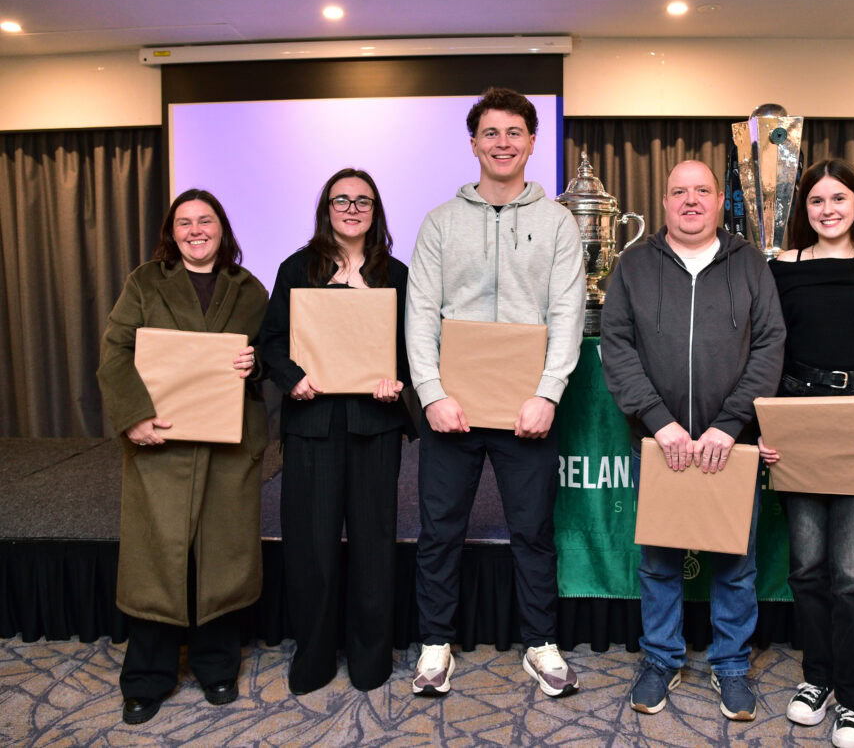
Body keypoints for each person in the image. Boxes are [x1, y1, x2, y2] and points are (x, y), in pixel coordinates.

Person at [406, 87, 586, 697]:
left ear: (533, 142)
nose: (502, 143)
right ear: (474, 143)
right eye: (491, 133)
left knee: (533, 530)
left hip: (526, 409)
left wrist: (548, 394)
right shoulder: (440, 222)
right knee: (439, 530)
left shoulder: (558, 222)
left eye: (514, 132)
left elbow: (567, 314)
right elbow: (420, 313)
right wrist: (431, 393)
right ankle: (435, 644)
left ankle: (541, 643)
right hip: (450, 407)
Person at [600, 159, 786, 719]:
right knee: (659, 560)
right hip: (661, 445)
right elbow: (618, 346)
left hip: (729, 445)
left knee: (735, 563)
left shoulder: (751, 264)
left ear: (717, 200)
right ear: (663, 202)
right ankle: (660, 658)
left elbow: (769, 347)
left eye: (701, 190)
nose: (690, 201)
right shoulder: (632, 265)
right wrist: (659, 422)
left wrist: (729, 426)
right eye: (678, 191)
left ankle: (731, 666)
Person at [96, 189, 268, 725]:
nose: (196, 230)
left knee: (221, 558)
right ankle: (147, 678)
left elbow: (274, 356)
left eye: (206, 220)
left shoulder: (250, 289)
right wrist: (133, 417)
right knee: (156, 560)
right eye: (184, 222)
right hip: (160, 444)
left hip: (226, 448)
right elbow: (115, 350)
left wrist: (255, 364)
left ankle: (217, 667)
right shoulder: (144, 282)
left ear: (222, 227)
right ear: (172, 232)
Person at [758, 158, 854, 748]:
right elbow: (770, 354)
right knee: (807, 569)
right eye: (816, 201)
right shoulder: (782, 269)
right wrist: (765, 429)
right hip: (797, 418)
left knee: (853, 576)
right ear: (805, 210)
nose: (827, 210)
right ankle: (815, 681)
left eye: (838, 199)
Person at [259, 167, 411, 694]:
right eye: (341, 199)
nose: (351, 208)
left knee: (374, 544)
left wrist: (400, 380)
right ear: (326, 207)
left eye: (362, 201)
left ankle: (372, 656)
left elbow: (415, 346)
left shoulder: (396, 273)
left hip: (376, 423)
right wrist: (293, 378)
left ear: (376, 210)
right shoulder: (297, 267)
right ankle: (315, 653)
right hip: (312, 424)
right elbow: (272, 341)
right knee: (311, 546)